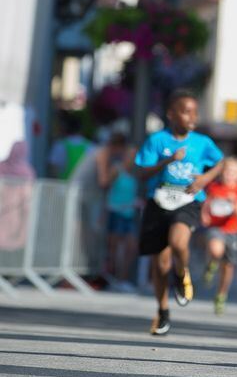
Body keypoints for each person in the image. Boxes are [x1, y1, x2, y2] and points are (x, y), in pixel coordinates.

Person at [134, 89, 224, 336]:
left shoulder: (202, 142)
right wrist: (168, 161)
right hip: (159, 202)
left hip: (188, 201)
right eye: (186, 112)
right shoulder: (157, 140)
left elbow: (220, 162)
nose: (192, 116)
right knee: (160, 263)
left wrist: (205, 178)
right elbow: (141, 172)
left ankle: (181, 273)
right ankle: (162, 310)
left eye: (195, 112)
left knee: (178, 241)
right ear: (171, 114)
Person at [201, 156, 237, 316]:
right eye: (227, 171)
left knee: (228, 267)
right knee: (216, 251)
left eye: (233, 172)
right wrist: (204, 215)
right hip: (216, 228)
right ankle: (211, 265)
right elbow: (207, 204)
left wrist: (234, 203)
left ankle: (221, 294)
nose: (229, 175)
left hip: (233, 231)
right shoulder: (214, 187)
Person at [96, 132, 139, 291]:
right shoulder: (116, 169)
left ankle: (122, 279)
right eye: (131, 155)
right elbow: (105, 186)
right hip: (115, 212)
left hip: (128, 214)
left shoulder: (134, 174)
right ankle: (112, 279)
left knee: (131, 246)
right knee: (113, 249)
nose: (133, 159)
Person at [48, 114, 93, 180]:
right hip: (82, 187)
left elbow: (53, 169)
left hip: (63, 186)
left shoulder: (60, 145)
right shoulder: (90, 146)